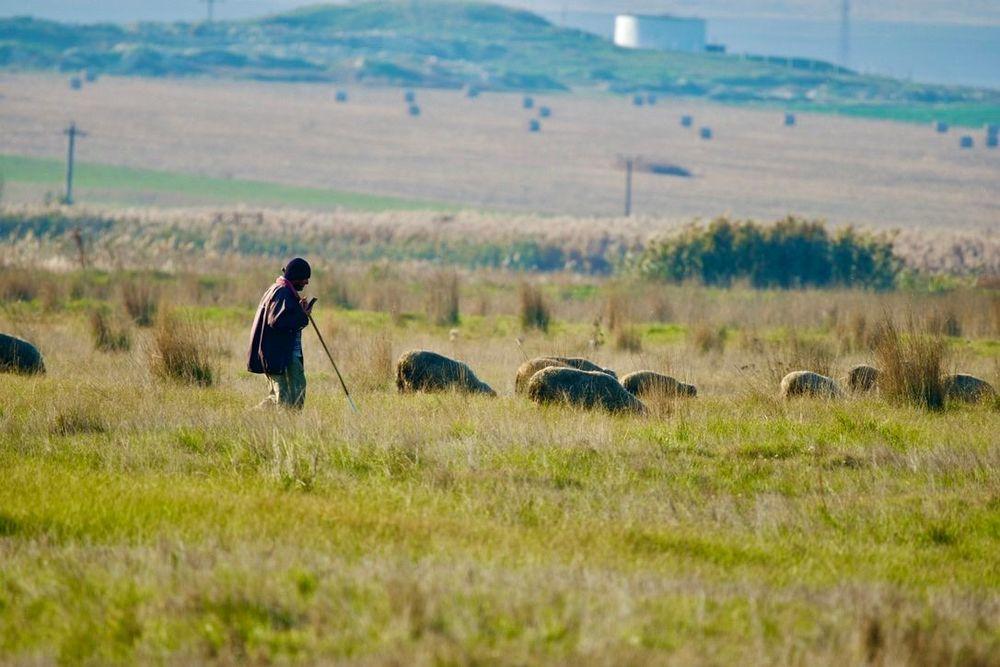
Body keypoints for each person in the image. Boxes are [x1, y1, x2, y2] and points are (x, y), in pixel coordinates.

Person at [247, 257, 315, 409]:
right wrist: (302, 316)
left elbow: (282, 320)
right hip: (279, 355)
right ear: (296, 277)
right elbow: (277, 322)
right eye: (305, 278)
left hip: (278, 354)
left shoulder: (280, 290)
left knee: (279, 398)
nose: (306, 282)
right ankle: (286, 427)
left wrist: (300, 312)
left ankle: (246, 420)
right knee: (289, 398)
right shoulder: (282, 293)